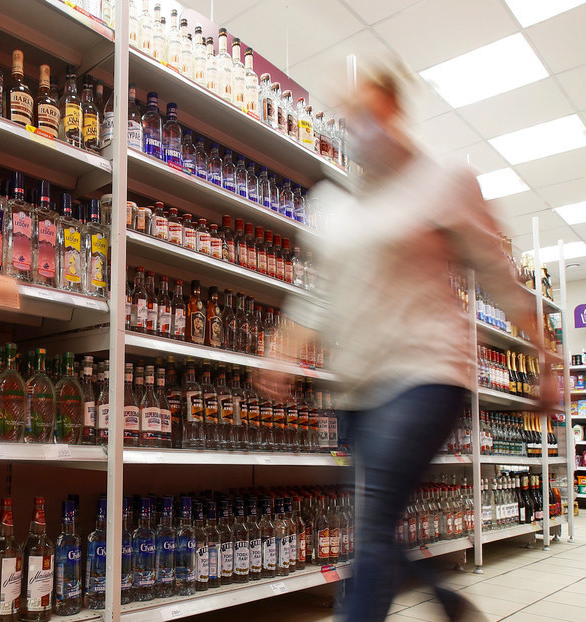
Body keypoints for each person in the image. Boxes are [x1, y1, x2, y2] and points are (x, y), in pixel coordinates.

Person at [256, 67, 556, 622]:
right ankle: (449, 602)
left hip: (428, 374)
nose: (361, 128)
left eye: (372, 113)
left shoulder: (443, 179)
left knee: (372, 526)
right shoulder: (331, 206)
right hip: (359, 389)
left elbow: (497, 273)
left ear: (396, 114)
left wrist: (546, 359)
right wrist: (280, 347)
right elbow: (315, 295)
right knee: (381, 520)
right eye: (351, 119)